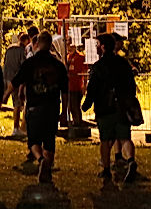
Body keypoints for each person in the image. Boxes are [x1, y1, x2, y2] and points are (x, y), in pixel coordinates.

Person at [11, 32, 69, 183]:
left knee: (34, 142)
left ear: (37, 43)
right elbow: (65, 91)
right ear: (50, 44)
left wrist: (4, 96)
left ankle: (40, 159)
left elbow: (16, 81)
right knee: (49, 140)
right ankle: (47, 171)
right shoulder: (58, 65)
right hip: (52, 107)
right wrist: (64, 112)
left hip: (34, 107)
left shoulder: (31, 62)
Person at [82, 32, 138, 183]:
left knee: (105, 140)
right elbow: (131, 85)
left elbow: (92, 88)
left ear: (103, 47)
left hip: (104, 108)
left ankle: (106, 170)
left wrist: (86, 104)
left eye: (98, 45)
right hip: (122, 107)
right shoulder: (123, 63)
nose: (97, 47)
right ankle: (131, 160)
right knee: (125, 137)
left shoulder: (98, 67)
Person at [0, 33, 27, 137]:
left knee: (9, 100)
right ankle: (16, 128)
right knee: (17, 103)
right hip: (16, 79)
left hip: (6, 77)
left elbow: (5, 62)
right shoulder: (21, 51)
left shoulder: (9, 49)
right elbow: (23, 66)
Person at [64, 41, 87, 126]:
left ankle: (78, 122)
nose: (68, 47)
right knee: (70, 106)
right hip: (69, 85)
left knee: (75, 105)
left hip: (77, 85)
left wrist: (84, 85)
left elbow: (84, 71)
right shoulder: (67, 57)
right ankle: (75, 121)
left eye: (69, 45)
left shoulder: (80, 57)